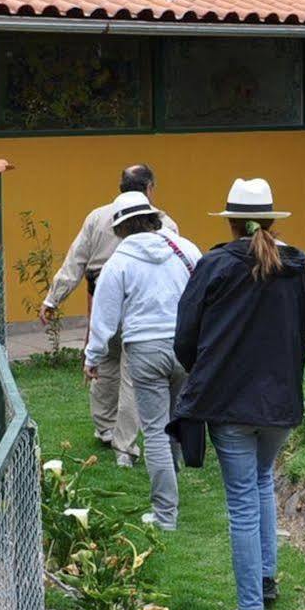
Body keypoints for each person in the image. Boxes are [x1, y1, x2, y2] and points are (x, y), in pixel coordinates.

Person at [173, 178, 305, 610]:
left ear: (230, 220)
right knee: (262, 483)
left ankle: (251, 609)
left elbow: (185, 339)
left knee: (242, 503)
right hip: (279, 401)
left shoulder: (213, 265)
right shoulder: (295, 267)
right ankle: (265, 581)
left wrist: (206, 371)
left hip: (231, 402)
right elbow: (301, 335)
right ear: (272, 219)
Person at [41, 165, 178, 463]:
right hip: (141, 303)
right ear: (150, 188)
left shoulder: (96, 216)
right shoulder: (165, 223)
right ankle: (123, 444)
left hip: (101, 295)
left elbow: (75, 261)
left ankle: (105, 428)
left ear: (120, 187)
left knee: (104, 361)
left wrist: (53, 299)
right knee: (130, 375)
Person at [85, 191, 197, 529]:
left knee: (157, 430)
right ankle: (172, 480)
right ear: (152, 217)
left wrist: (93, 357)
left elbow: (104, 316)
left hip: (145, 350)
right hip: (185, 347)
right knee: (176, 419)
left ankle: (165, 515)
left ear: (120, 228)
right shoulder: (186, 249)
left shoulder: (118, 262)